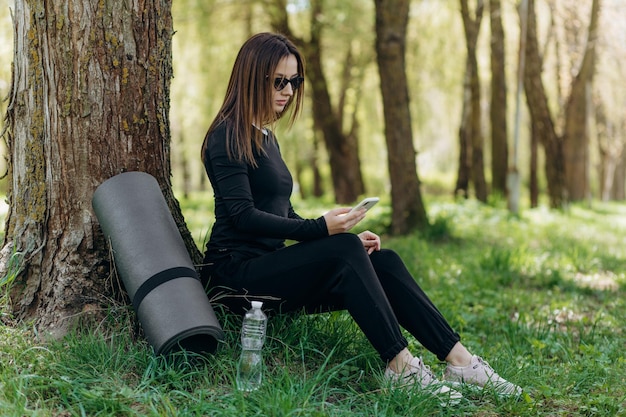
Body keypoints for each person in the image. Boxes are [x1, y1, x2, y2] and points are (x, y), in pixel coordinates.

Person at [199, 32, 522, 403]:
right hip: (235, 279)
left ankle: (461, 363)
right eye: (279, 81)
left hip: (269, 268)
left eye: (294, 81)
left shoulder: (266, 137)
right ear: (252, 77)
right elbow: (243, 217)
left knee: (382, 261)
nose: (288, 91)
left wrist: (329, 228)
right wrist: (322, 230)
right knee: (344, 250)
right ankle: (400, 367)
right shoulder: (225, 135)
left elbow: (282, 213)